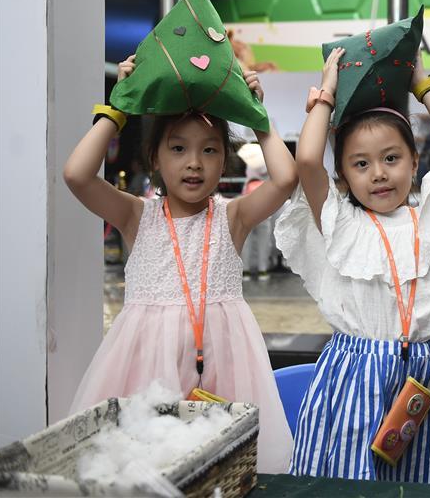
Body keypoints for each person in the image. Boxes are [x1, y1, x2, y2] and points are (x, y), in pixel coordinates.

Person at [63, 56, 298, 473]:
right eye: (177, 148)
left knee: (225, 470)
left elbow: (285, 179)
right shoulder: (136, 215)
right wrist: (118, 107)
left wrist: (256, 117)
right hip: (146, 368)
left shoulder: (233, 217)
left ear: (224, 160)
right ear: (154, 158)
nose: (194, 162)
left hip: (225, 366)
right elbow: (77, 175)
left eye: (209, 150)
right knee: (144, 465)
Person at [274, 47, 430, 483]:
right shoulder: (339, 222)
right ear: (343, 175)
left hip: (419, 377)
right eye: (361, 164)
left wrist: (422, 84)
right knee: (346, 480)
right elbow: (307, 160)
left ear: (415, 162)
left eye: (391, 158)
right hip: (350, 375)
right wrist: (326, 94)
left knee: (421, 480)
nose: (378, 173)